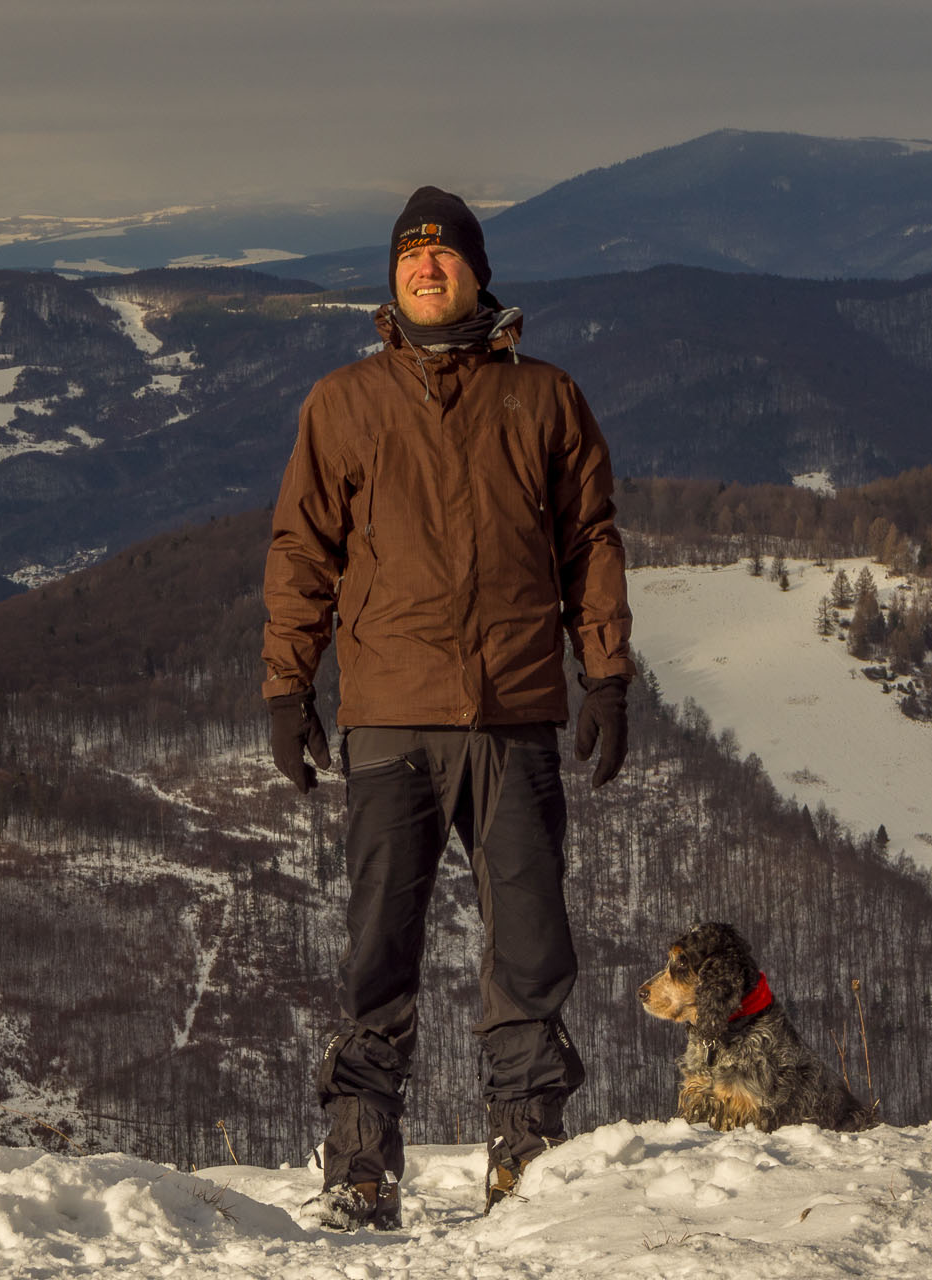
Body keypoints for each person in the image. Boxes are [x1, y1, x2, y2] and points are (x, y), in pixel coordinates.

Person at [261, 185, 633, 1231]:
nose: (428, 269)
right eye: (410, 257)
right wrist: (288, 687)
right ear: (393, 280)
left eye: (446, 255)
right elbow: (302, 552)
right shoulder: (344, 402)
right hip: (388, 715)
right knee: (379, 948)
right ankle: (361, 1164)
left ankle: (525, 1150)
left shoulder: (545, 399)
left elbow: (590, 542)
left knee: (529, 944)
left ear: (478, 271)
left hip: (514, 712)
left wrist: (605, 675)